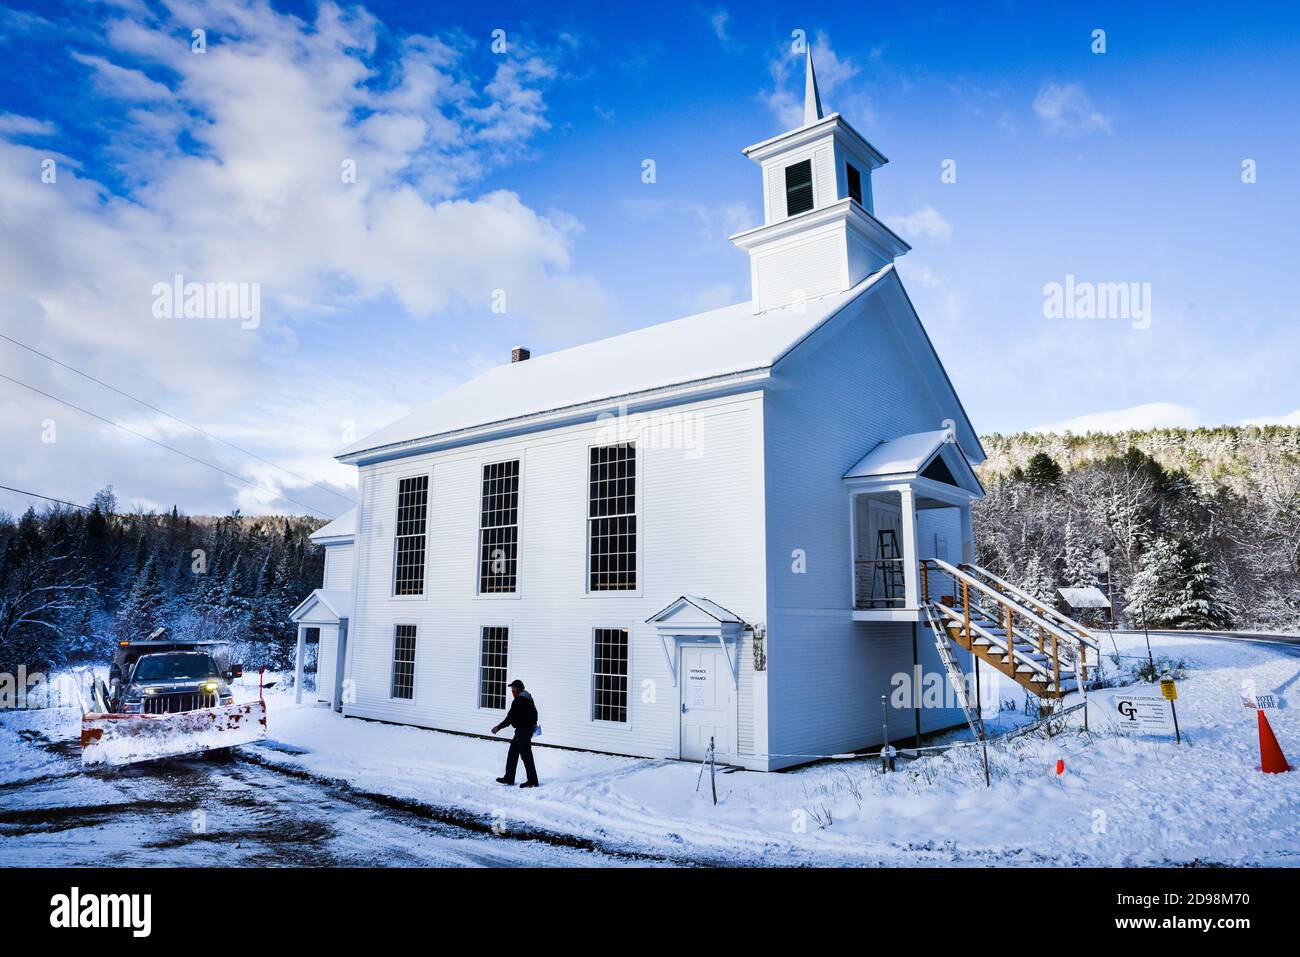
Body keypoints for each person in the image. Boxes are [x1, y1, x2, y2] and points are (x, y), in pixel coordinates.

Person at [491, 679, 539, 788]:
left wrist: (498, 727)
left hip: (523, 731)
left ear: (518, 689)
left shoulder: (519, 700)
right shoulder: (528, 697)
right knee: (513, 753)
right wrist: (534, 724)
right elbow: (535, 713)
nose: (512, 691)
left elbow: (510, 717)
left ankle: (532, 780)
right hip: (523, 731)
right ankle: (509, 777)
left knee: (526, 756)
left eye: (513, 689)